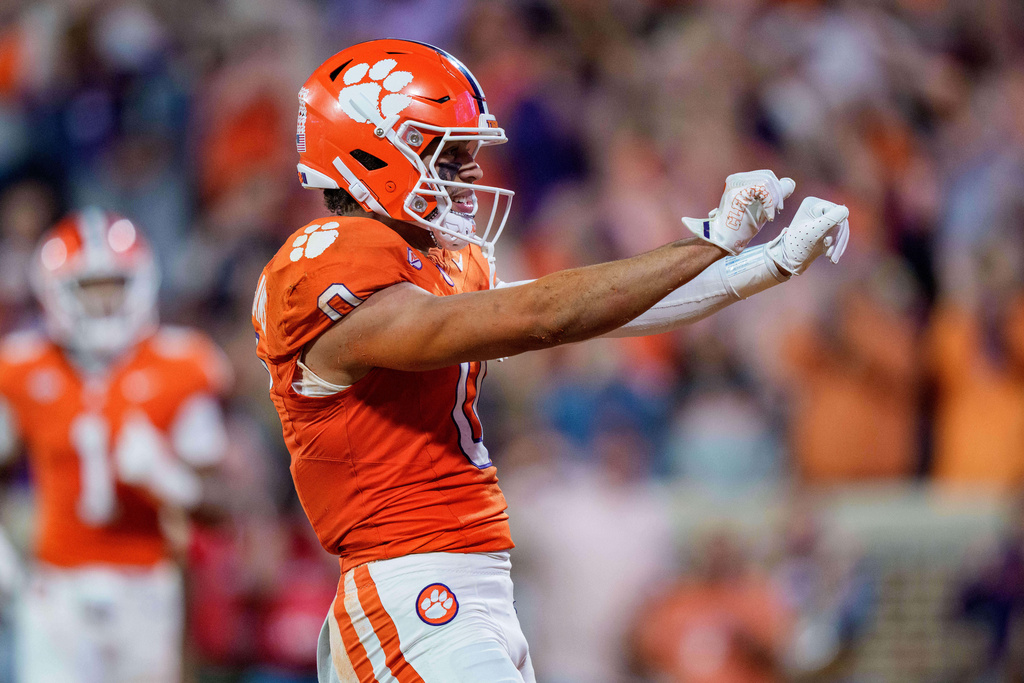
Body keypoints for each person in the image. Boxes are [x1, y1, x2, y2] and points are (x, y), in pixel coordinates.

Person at [252, 38, 851, 683]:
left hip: (460, 589)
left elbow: (610, 313)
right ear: (369, 149)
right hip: (408, 590)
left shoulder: (435, 266)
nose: (473, 174)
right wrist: (706, 242)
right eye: (448, 154)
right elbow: (541, 318)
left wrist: (763, 264)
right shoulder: (326, 260)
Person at [0, 208, 232, 682]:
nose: (104, 302)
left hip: (150, 585)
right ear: (54, 290)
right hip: (55, 589)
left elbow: (222, 504)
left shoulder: (182, 364)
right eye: (89, 286)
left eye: (115, 284)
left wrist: (168, 478)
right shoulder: (21, 368)